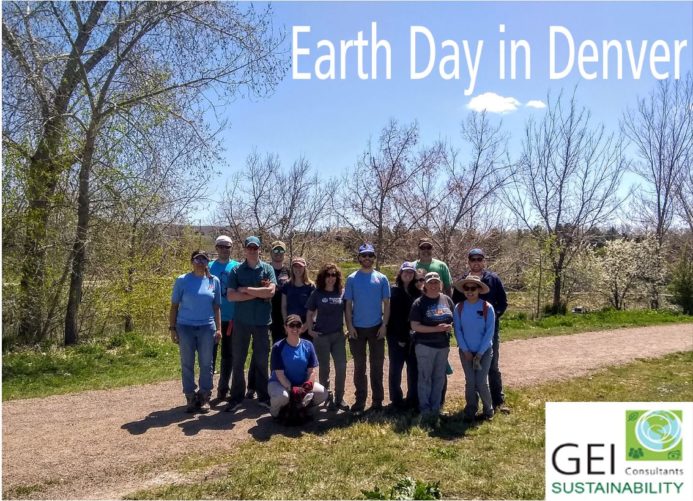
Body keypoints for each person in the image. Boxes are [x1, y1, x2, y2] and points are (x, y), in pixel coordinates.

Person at [452, 248, 510, 414]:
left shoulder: (493, 279)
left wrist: (492, 317)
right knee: (470, 373)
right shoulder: (463, 281)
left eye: (479, 259)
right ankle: (472, 405)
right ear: (469, 262)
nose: (476, 262)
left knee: (492, 366)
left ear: (484, 261)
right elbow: (456, 303)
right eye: (473, 259)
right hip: (468, 334)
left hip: (489, 332)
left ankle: (496, 400)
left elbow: (503, 303)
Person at [226, 236, 277, 412]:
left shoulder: (268, 269)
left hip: (262, 323)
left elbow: (270, 292)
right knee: (238, 361)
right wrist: (258, 293)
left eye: (255, 248)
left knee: (262, 361)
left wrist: (246, 289)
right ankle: (236, 397)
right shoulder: (236, 270)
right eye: (250, 248)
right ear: (245, 249)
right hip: (241, 323)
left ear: (259, 250)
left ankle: (264, 397)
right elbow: (231, 296)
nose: (253, 251)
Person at [169, 250, 222, 413]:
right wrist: (172, 328)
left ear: (208, 262)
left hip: (207, 327)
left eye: (204, 259)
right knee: (187, 363)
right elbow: (174, 306)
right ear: (192, 261)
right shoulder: (182, 280)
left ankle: (205, 396)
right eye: (197, 259)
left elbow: (216, 307)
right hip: (185, 327)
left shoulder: (214, 281)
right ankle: (191, 397)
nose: (200, 262)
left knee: (207, 364)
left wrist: (219, 328)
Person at [344, 243, 391, 415]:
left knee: (377, 367)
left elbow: (387, 304)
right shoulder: (351, 279)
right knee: (359, 367)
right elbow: (348, 304)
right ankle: (360, 401)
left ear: (374, 258)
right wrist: (349, 325)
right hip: (357, 329)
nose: (367, 258)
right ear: (359, 257)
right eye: (364, 255)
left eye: (370, 255)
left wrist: (384, 325)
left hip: (376, 328)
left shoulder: (382, 278)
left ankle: (377, 401)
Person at [247, 240, 290, 401]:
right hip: (263, 315)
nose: (278, 253)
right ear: (270, 252)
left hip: (281, 317)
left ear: (284, 253)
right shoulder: (264, 269)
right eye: (275, 250)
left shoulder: (289, 271)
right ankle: (252, 387)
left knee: (278, 352)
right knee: (259, 352)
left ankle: (276, 384)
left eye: (281, 251)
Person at [409, 272, 454, 426]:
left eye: (436, 282)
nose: (434, 285)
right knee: (425, 377)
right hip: (424, 346)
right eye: (430, 283)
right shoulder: (419, 303)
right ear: (425, 285)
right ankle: (425, 409)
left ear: (440, 284)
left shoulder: (446, 299)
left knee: (439, 378)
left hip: (443, 346)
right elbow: (414, 326)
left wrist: (450, 327)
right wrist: (436, 329)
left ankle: (436, 408)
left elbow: (453, 319)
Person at [268, 314, 328, 423]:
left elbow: (312, 371)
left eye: (298, 325)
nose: (295, 328)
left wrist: (307, 385)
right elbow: (279, 374)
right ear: (285, 327)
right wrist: (292, 389)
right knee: (282, 397)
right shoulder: (278, 347)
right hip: (280, 383)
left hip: (301, 384)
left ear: (301, 327)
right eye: (291, 325)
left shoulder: (308, 345)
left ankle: (303, 409)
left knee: (322, 393)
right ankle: (275, 413)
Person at [305, 263, 348, 411]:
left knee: (341, 367)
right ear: (323, 277)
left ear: (337, 277)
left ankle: (339, 397)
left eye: (334, 275)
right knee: (324, 369)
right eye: (328, 275)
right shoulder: (317, 293)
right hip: (321, 337)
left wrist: (348, 329)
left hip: (338, 336)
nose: (331, 278)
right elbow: (310, 313)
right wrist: (310, 330)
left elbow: (348, 312)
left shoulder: (342, 292)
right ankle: (326, 395)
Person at [452, 275, 495, 422]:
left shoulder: (487, 307)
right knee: (470, 382)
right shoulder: (459, 307)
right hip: (466, 352)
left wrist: (480, 353)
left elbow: (490, 332)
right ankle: (471, 408)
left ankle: (488, 410)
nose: (470, 291)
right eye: (466, 288)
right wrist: (465, 350)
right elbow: (457, 330)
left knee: (481, 381)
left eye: (473, 288)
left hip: (484, 352)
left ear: (479, 290)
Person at [386, 261, 422, 410]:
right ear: (400, 273)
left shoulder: (418, 293)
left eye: (411, 272)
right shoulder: (392, 291)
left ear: (414, 275)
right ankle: (396, 400)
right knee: (396, 369)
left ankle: (412, 399)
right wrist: (399, 336)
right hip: (395, 336)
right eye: (405, 271)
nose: (408, 274)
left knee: (413, 369)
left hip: (413, 337)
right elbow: (390, 315)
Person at [209, 235, 239, 402]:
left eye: (227, 246)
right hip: (212, 319)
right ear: (216, 248)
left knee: (228, 355)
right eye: (221, 246)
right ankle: (207, 390)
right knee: (210, 356)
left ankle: (223, 388)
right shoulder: (209, 267)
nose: (224, 249)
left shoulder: (237, 267)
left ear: (231, 248)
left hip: (232, 319)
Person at [281, 257, 315, 339]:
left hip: (306, 323)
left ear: (304, 268)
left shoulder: (311, 286)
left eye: (300, 266)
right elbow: (283, 306)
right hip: (291, 322)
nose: (298, 269)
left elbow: (315, 308)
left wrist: (306, 326)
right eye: (295, 266)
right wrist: (287, 324)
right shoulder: (286, 285)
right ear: (292, 268)